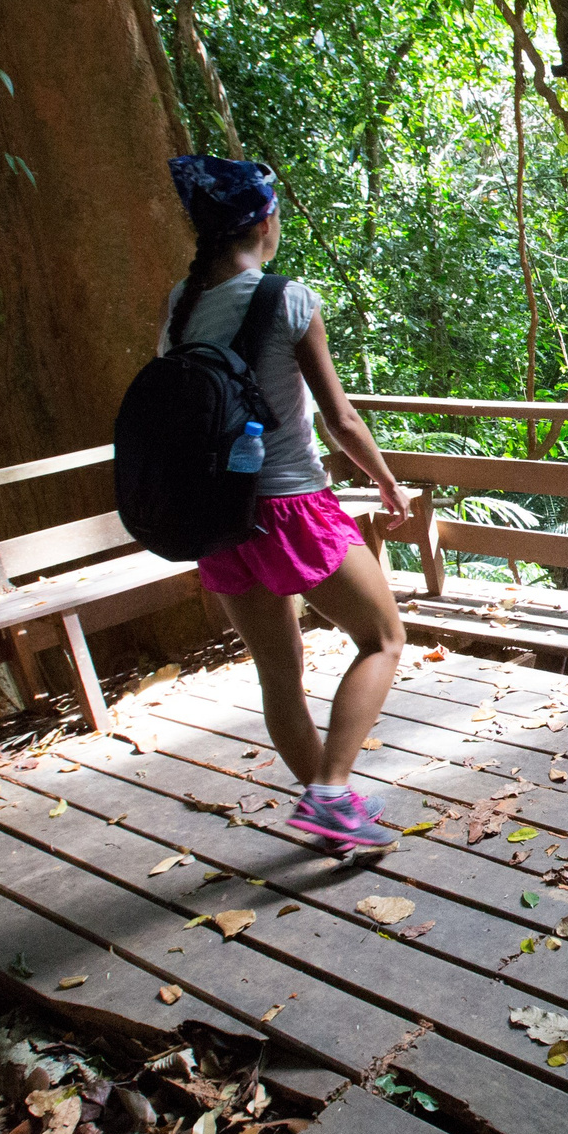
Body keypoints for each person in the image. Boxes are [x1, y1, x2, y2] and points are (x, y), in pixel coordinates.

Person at [161, 154, 410, 857]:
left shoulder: (178, 306)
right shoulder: (287, 299)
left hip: (217, 519)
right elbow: (341, 420)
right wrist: (386, 479)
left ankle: (333, 814)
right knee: (383, 637)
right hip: (291, 505)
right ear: (265, 221)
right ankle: (332, 791)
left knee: (280, 672)